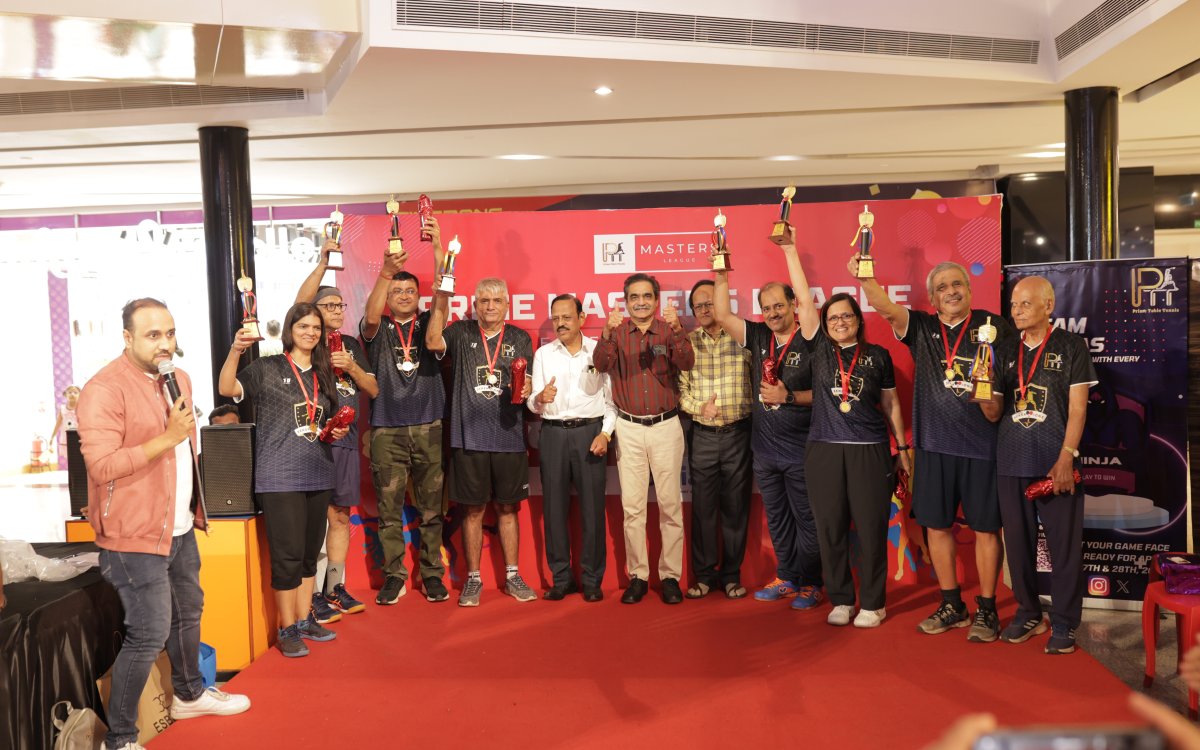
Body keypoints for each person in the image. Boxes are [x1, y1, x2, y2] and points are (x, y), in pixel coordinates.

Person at [77, 298, 249, 750]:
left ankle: (189, 695)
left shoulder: (178, 378)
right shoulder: (104, 389)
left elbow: (184, 454)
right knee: (149, 632)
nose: (165, 344)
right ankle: (120, 738)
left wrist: (193, 506)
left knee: (189, 612)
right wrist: (167, 437)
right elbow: (102, 466)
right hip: (133, 534)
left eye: (169, 333)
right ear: (127, 337)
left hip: (179, 527)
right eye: (153, 335)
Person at [853, 255, 1015, 642]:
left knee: (987, 529)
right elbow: (883, 306)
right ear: (932, 298)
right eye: (942, 288)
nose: (951, 291)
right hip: (933, 448)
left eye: (957, 284)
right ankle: (952, 605)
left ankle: (987, 609)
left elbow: (1010, 380)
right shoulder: (922, 327)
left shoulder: (994, 326)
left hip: (983, 448)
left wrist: (995, 403)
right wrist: (864, 274)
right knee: (937, 527)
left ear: (970, 289)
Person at [784, 243, 910, 628]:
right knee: (830, 527)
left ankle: (873, 603)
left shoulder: (878, 356)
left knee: (871, 527)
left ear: (858, 319)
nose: (840, 322)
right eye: (833, 317)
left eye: (847, 315)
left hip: (868, 450)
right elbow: (803, 300)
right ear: (824, 325)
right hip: (823, 450)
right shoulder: (819, 350)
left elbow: (891, 403)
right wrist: (790, 249)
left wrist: (903, 446)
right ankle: (841, 599)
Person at [218, 302, 350, 657]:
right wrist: (236, 350)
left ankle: (304, 619)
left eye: (316, 328)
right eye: (303, 326)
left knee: (308, 556)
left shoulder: (324, 373)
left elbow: (322, 420)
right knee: (287, 558)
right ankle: (286, 627)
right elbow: (227, 387)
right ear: (290, 330)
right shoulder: (267, 367)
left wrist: (335, 431)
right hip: (280, 477)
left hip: (318, 472)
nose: (311, 332)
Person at [980, 276, 1096, 655]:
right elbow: (994, 413)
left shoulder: (1071, 346)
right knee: (1018, 545)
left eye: (1025, 304)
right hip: (1011, 460)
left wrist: (1066, 456)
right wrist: (981, 389)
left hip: (1055, 463)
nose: (1016, 311)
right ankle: (1029, 612)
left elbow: (1078, 409)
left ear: (1048, 306)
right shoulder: (1004, 349)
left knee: (1063, 548)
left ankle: (1064, 621)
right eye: (1013, 305)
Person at [712, 266, 823, 608]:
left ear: (793, 305)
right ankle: (787, 577)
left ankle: (812, 582)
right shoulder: (759, 335)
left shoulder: (811, 337)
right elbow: (721, 315)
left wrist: (788, 397)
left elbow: (826, 394)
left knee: (807, 518)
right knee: (777, 518)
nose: (773, 313)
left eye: (779, 305)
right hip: (764, 450)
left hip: (801, 449)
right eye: (767, 307)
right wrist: (721, 272)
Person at [427, 276, 535, 607]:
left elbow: (528, 380)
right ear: (475, 305)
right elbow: (432, 342)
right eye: (484, 301)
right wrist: (442, 295)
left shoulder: (519, 337)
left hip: (509, 437)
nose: (490, 306)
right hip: (469, 438)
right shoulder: (461, 332)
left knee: (507, 509)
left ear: (507, 305)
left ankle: (513, 575)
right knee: (472, 510)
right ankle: (473, 579)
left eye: (496, 301)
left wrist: (528, 388)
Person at [360, 224, 450, 604]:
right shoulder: (378, 328)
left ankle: (432, 575)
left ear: (418, 296)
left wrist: (440, 247)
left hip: (429, 425)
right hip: (387, 430)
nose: (403, 296)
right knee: (389, 511)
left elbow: (444, 294)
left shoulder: (430, 323)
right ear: (388, 296)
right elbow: (369, 316)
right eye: (396, 291)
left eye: (410, 291)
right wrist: (386, 272)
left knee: (431, 510)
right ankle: (394, 576)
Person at [593, 273, 694, 605]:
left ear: (656, 299)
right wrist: (606, 333)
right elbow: (600, 364)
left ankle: (670, 577)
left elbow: (687, 363)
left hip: (666, 426)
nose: (640, 302)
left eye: (646, 296)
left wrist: (677, 330)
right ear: (626, 301)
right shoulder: (617, 332)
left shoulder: (668, 330)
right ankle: (637, 575)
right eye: (634, 297)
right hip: (630, 428)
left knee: (670, 506)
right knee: (633, 508)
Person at [295, 245, 379, 621]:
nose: (336, 311)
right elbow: (299, 305)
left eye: (340, 306)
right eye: (328, 305)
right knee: (314, 519)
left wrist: (353, 368)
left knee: (341, 517)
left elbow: (373, 389)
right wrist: (322, 264)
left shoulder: (350, 345)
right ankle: (311, 592)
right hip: (313, 444)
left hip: (345, 443)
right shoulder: (307, 342)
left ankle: (334, 587)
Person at [527, 294, 616, 602]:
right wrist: (540, 399)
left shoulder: (599, 351)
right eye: (556, 318)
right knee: (553, 510)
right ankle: (561, 579)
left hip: (590, 433)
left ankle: (592, 580)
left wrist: (605, 434)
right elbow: (532, 401)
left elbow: (612, 402)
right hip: (552, 434)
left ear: (582, 318)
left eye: (566, 317)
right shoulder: (543, 354)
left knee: (592, 510)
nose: (561, 323)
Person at [678, 280, 753, 599]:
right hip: (703, 436)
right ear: (693, 312)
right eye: (699, 306)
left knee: (736, 509)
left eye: (710, 302)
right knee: (703, 510)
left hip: (739, 434)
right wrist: (700, 408)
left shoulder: (744, 337)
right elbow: (681, 392)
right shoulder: (687, 343)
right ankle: (705, 576)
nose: (705, 309)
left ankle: (732, 576)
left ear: (723, 303)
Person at [50, 384, 81, 467]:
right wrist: (52, 437)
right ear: (65, 395)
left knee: (80, 459)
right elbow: (58, 424)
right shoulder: (63, 409)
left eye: (75, 392)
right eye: (70, 392)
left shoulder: (81, 408)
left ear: (80, 395)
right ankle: (72, 473)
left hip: (79, 437)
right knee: (71, 460)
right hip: (67, 437)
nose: (72, 394)